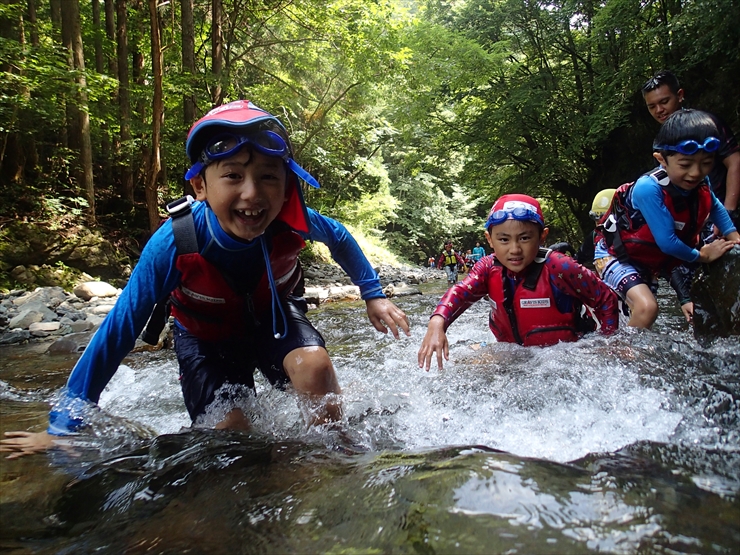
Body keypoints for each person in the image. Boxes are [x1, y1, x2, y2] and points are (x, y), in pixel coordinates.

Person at [1, 99, 410, 459]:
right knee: (232, 442)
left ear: (286, 185)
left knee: (315, 369)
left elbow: (339, 237)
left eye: (269, 176)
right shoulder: (175, 241)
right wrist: (62, 428)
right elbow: (117, 332)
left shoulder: (293, 219)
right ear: (200, 185)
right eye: (232, 176)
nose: (253, 194)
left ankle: (336, 456)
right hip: (205, 338)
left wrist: (373, 295)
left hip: (274, 317)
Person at [418, 194, 619, 370]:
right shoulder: (488, 268)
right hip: (515, 355)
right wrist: (437, 323)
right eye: (504, 240)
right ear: (490, 239)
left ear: (542, 236)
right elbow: (460, 293)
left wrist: (609, 343)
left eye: (524, 238)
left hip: (568, 354)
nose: (514, 249)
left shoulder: (560, 267)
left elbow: (605, 299)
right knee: (459, 366)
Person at [594, 109, 740, 329]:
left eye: (706, 163)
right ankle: (618, 357)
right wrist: (703, 256)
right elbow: (667, 242)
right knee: (647, 309)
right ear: (661, 159)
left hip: (647, 264)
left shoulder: (700, 181)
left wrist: (734, 237)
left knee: (637, 319)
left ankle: (621, 347)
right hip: (615, 256)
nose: (696, 172)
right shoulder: (648, 189)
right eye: (685, 165)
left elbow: (715, 206)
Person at [642, 70, 740, 226]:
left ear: (680, 95)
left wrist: (728, 211)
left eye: (664, 101)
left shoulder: (706, 125)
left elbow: (735, 162)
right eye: (652, 106)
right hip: (694, 222)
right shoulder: (661, 141)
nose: (659, 110)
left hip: (722, 210)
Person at [574, 189, 617, 266]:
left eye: (603, 217)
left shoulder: (631, 237)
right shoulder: (595, 236)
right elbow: (578, 259)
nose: (598, 222)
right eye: (594, 217)